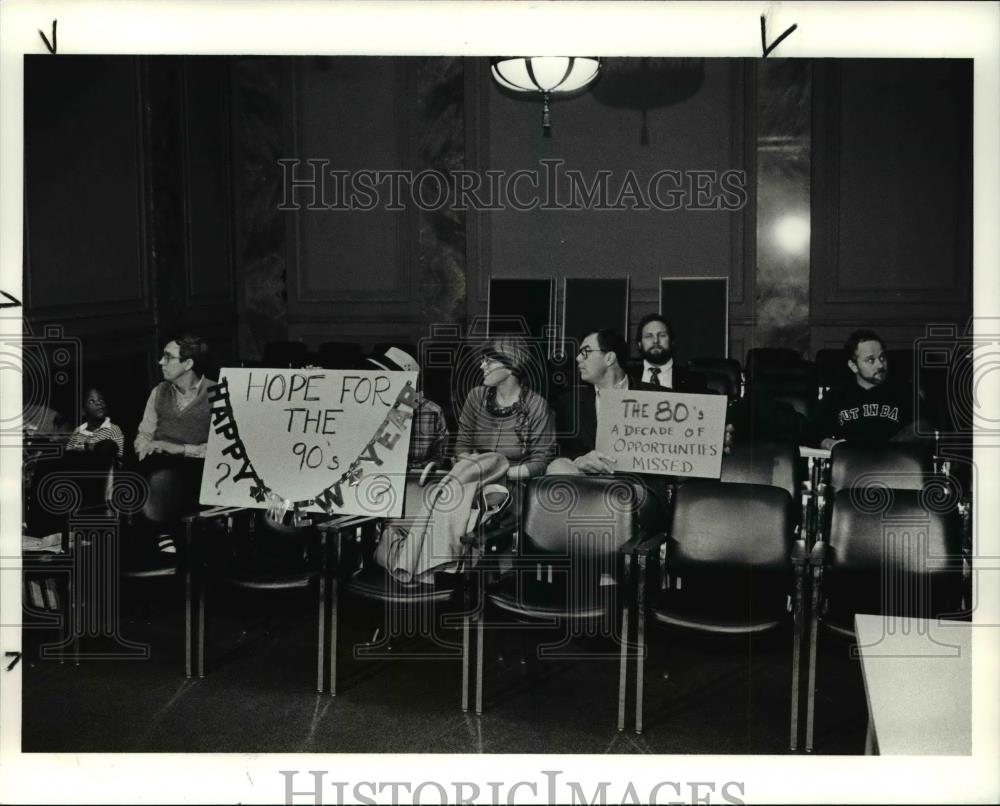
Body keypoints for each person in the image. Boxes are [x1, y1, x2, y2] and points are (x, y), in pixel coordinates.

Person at [549, 328, 734, 475]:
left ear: (609, 357)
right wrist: (578, 461)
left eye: (586, 352)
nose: (578, 358)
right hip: (587, 492)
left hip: (639, 491)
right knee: (558, 468)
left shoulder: (659, 398)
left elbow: (685, 448)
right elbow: (556, 451)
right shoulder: (568, 403)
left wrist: (714, 438)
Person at [454, 335, 556, 481]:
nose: (482, 366)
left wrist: (500, 474)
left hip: (517, 485)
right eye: (482, 360)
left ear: (512, 364)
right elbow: (462, 446)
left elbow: (541, 463)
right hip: (475, 481)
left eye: (488, 361)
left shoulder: (537, 405)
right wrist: (469, 463)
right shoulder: (475, 396)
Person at [805, 329, 927, 449]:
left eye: (882, 358)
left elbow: (924, 429)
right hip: (850, 463)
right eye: (870, 360)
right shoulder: (836, 395)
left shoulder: (905, 392)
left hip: (894, 464)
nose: (880, 365)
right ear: (853, 366)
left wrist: (885, 453)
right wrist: (830, 444)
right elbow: (810, 433)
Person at [367, 346, 448, 471]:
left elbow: (439, 457)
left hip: (414, 483)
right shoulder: (365, 407)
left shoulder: (431, 411)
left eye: (387, 376)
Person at [135, 335, 213, 461]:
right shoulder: (158, 392)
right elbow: (144, 435)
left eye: (168, 357)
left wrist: (181, 449)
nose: (161, 362)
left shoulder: (218, 395)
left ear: (188, 364)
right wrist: (143, 450)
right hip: (161, 463)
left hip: (199, 467)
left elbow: (224, 448)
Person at [633, 313, 707, 391]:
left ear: (672, 341)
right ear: (639, 344)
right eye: (648, 336)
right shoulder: (627, 376)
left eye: (662, 335)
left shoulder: (694, 380)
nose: (655, 341)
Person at [66, 385, 125, 459]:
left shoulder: (113, 429)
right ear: (83, 411)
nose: (98, 403)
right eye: (91, 401)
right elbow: (68, 456)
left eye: (101, 399)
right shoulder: (78, 431)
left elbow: (119, 459)